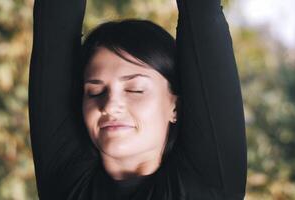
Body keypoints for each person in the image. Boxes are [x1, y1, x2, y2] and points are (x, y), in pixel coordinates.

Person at [28, 0, 247, 199]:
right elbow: (55, 24)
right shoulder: (66, 184)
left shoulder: (207, 185)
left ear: (175, 107)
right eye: (95, 92)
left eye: (135, 90)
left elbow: (202, 14)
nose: (110, 106)